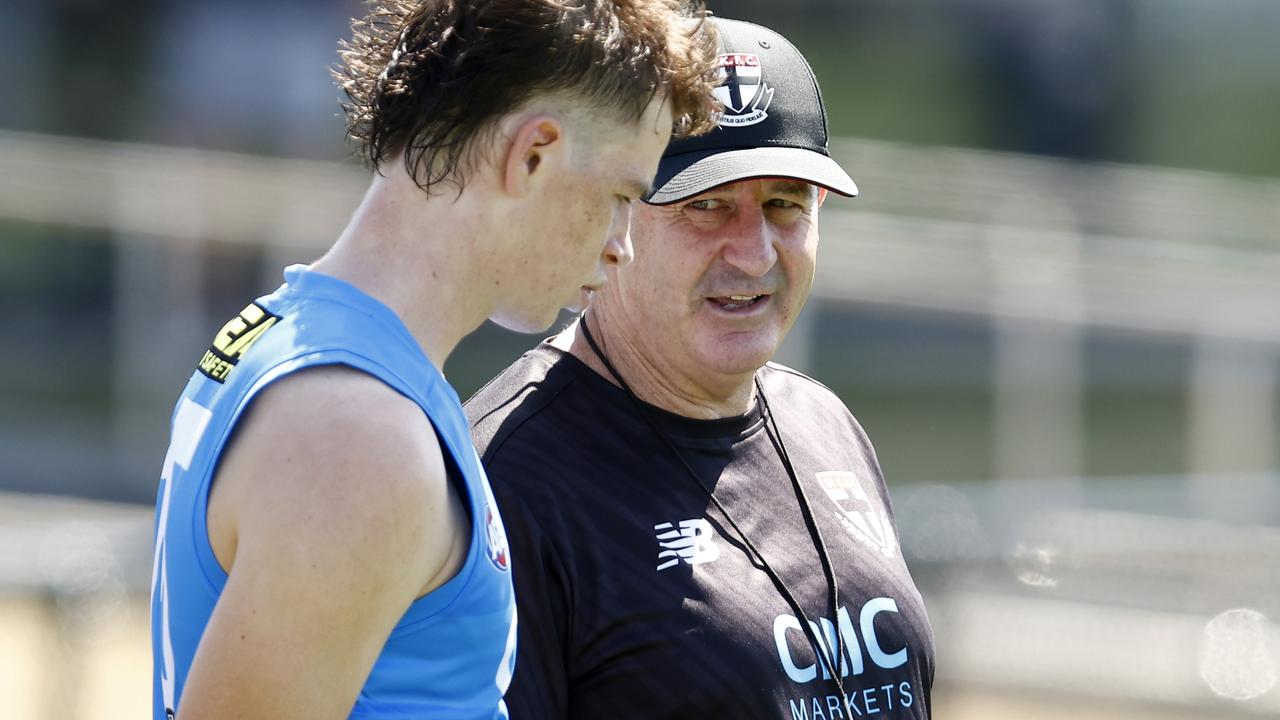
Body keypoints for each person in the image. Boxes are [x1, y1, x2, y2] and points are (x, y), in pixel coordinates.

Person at [149, 2, 719, 718]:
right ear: (534, 155)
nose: (623, 244)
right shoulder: (359, 434)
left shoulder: (295, 338)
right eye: (620, 195)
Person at [466, 17, 935, 719]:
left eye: (783, 204)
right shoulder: (505, 479)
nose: (754, 253)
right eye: (706, 206)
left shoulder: (824, 422)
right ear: (614, 212)